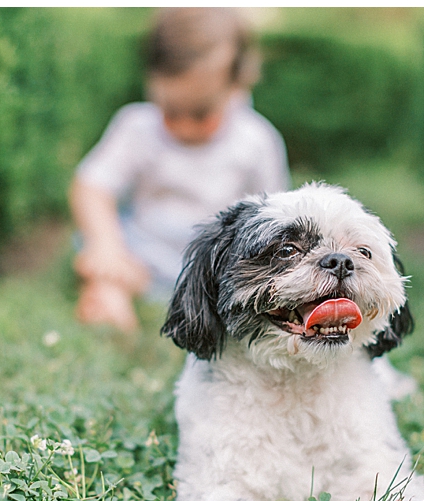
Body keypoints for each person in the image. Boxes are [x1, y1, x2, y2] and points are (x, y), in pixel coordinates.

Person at [69, 8, 290, 332]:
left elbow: (276, 221)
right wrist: (106, 245)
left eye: (200, 114)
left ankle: (196, 304)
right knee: (97, 247)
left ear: (238, 86)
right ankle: (110, 293)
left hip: (212, 264)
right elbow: (91, 186)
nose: (184, 127)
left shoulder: (255, 141)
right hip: (142, 253)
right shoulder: (137, 126)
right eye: (171, 111)